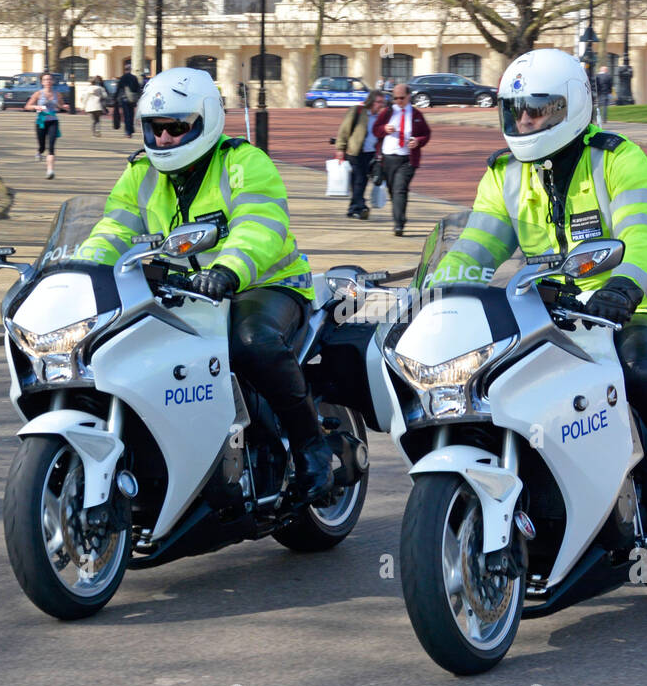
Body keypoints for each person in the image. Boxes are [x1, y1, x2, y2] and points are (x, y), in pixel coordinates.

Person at [432, 47, 647, 544]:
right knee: (493, 379)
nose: (525, 120)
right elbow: (476, 246)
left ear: (570, 106)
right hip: (549, 309)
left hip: (639, 305)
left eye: (538, 108)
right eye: (515, 110)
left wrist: (624, 286)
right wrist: (433, 297)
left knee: (643, 371)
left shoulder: (616, 158)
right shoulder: (505, 173)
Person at [77, 67, 334, 504]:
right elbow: (112, 231)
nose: (163, 139)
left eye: (176, 128)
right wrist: (78, 270)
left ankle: (312, 447)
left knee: (249, 341)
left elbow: (261, 225)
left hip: (263, 285)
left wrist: (229, 270)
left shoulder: (242, 162)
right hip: (182, 293)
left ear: (204, 122)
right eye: (154, 129)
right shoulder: (141, 175)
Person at [373, 82, 431, 236]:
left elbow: (426, 133)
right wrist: (384, 129)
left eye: (401, 98)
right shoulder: (387, 113)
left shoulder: (417, 115)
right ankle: (399, 216)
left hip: (407, 159)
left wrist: (418, 141)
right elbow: (375, 130)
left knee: (400, 189)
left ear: (408, 96)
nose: (398, 101)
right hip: (388, 157)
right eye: (395, 98)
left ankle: (399, 224)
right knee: (393, 190)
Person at [334, 89, 386, 220]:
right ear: (371, 101)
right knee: (358, 181)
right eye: (378, 102)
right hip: (355, 152)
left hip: (372, 154)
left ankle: (353, 209)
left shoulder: (381, 117)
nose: (381, 105)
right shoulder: (357, 111)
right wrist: (340, 148)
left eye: (382, 102)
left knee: (363, 181)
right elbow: (344, 130)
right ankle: (361, 207)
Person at [25, 72, 70, 179]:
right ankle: (39, 152)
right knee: (42, 146)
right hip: (41, 122)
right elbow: (27, 106)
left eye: (50, 79)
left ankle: (50, 171)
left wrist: (64, 106)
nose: (48, 81)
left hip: (53, 121)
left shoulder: (57, 94)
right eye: (45, 80)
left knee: (51, 147)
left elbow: (60, 105)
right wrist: (37, 107)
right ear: (42, 82)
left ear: (52, 81)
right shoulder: (38, 94)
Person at [116, 62, 142, 138]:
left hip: (125, 99)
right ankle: (130, 130)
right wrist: (138, 98)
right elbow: (138, 88)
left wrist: (115, 98)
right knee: (131, 115)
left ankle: (128, 132)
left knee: (126, 115)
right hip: (132, 99)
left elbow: (118, 89)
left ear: (124, 70)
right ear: (130, 70)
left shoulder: (123, 78)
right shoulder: (134, 78)